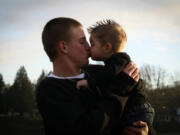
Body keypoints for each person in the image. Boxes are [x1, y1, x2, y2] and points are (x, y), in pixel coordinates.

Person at [36, 17, 151, 135]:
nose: (88, 47)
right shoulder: (49, 90)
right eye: (82, 42)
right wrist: (121, 89)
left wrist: (144, 131)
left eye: (89, 42)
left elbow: (136, 106)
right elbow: (87, 128)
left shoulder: (101, 73)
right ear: (64, 47)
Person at [76, 20, 155, 130]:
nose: (89, 48)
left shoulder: (120, 60)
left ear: (107, 47)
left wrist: (89, 82)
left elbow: (107, 75)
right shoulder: (111, 64)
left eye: (93, 44)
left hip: (139, 109)